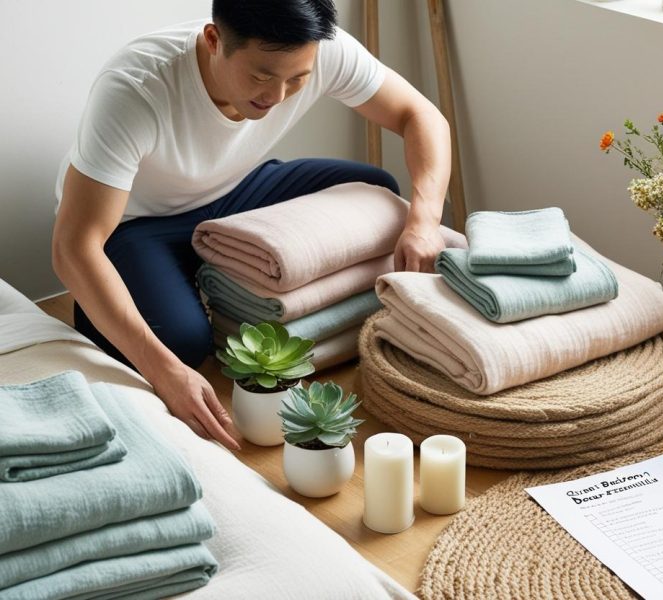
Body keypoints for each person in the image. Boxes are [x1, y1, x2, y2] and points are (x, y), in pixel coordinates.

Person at [52, 0, 451, 451]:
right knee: (180, 342)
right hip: (137, 223)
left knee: (375, 191)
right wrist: (164, 371)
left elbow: (422, 117)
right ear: (213, 40)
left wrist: (425, 220)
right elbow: (74, 244)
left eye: (297, 78)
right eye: (261, 76)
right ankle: (137, 298)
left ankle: (206, 273)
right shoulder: (136, 87)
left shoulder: (322, 48)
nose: (277, 96)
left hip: (236, 191)